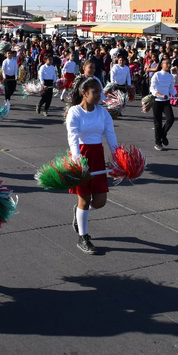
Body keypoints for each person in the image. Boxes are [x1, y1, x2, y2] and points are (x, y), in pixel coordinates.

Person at [66, 77, 118, 254]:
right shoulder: (74, 112)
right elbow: (72, 138)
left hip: (97, 157)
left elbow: (110, 135)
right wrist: (77, 161)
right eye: (95, 91)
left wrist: (118, 157)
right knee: (84, 198)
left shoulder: (102, 112)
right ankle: (83, 237)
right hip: (81, 157)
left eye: (99, 91)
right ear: (84, 92)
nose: (98, 95)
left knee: (100, 201)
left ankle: (80, 213)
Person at [150, 59, 175, 151]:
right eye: (167, 63)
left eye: (170, 64)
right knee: (158, 123)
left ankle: (163, 134)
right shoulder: (157, 75)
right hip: (157, 101)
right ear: (162, 65)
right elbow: (152, 88)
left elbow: (172, 89)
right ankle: (158, 142)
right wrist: (160, 95)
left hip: (166, 101)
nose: (169, 65)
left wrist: (176, 95)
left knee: (170, 119)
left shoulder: (171, 76)